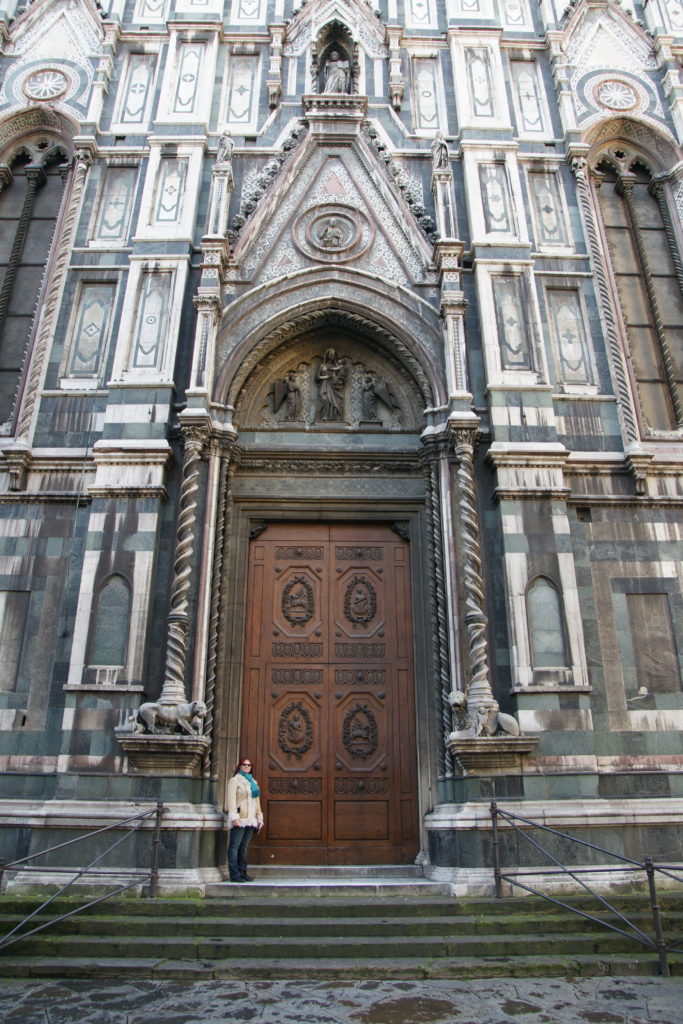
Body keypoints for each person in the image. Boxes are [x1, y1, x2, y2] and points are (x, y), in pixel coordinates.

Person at [226, 757, 263, 882]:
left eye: (249, 765)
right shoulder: (234, 780)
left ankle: (243, 872)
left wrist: (259, 818)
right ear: (240, 766)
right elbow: (231, 800)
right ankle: (234, 874)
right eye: (244, 764)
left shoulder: (253, 782)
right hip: (240, 818)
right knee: (235, 846)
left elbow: (256, 802)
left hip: (251, 819)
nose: (247, 766)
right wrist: (233, 817)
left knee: (244, 847)